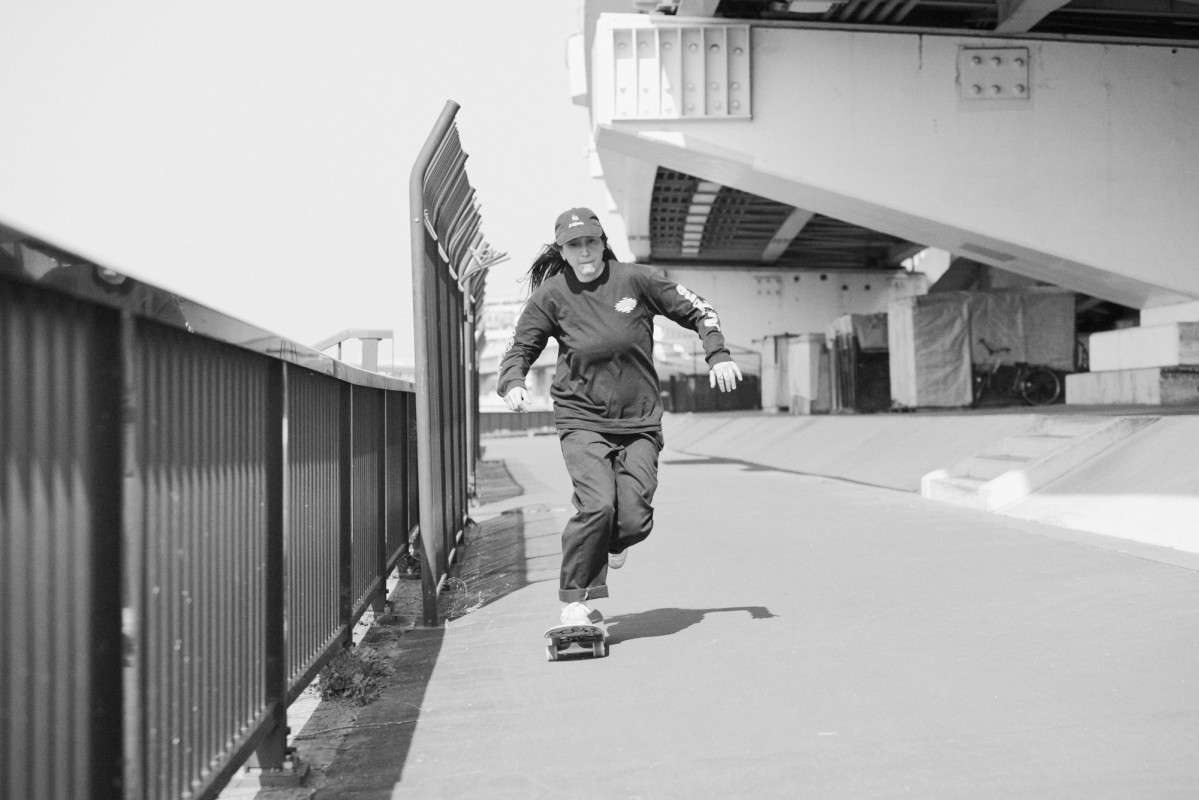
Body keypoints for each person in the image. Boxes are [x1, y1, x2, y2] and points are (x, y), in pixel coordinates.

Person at [497, 207, 742, 628]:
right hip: (582, 417)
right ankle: (575, 601)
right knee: (596, 505)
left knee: (633, 521)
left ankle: (612, 540)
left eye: (591, 242)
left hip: (639, 421)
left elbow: (699, 309)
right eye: (575, 245)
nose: (585, 251)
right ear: (563, 251)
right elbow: (519, 346)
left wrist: (717, 353)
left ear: (603, 242)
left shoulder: (636, 280)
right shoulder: (551, 295)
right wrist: (513, 381)